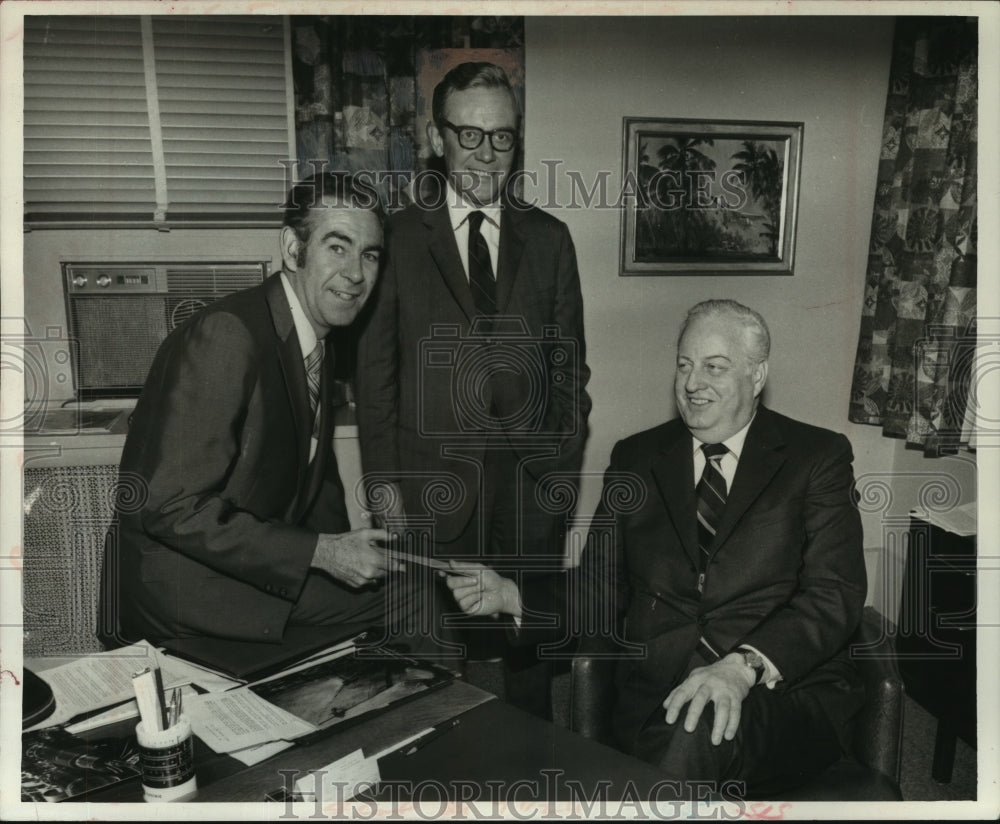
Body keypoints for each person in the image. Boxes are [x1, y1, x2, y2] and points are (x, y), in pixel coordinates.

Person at [447, 299, 868, 796]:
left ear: (758, 376)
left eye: (715, 367)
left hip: (776, 692)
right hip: (655, 694)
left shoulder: (815, 457)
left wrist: (742, 666)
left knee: (694, 730)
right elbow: (599, 588)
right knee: (682, 731)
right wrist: (512, 597)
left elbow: (833, 593)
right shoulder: (637, 458)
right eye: (685, 365)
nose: (692, 384)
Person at [99, 173, 437, 659]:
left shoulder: (317, 337)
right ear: (293, 249)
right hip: (184, 588)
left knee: (415, 589)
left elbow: (316, 483)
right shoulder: (228, 336)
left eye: (370, 254)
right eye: (337, 248)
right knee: (414, 602)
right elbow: (167, 505)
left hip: (242, 569)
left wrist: (345, 546)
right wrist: (322, 553)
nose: (357, 274)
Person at [355, 62, 591, 718]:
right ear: (435, 139)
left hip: (528, 497)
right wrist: (385, 494)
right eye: (470, 135)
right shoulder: (398, 239)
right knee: (429, 677)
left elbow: (570, 374)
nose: (488, 155)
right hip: (428, 495)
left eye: (503, 138)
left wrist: (558, 476)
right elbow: (375, 382)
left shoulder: (550, 240)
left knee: (527, 670)